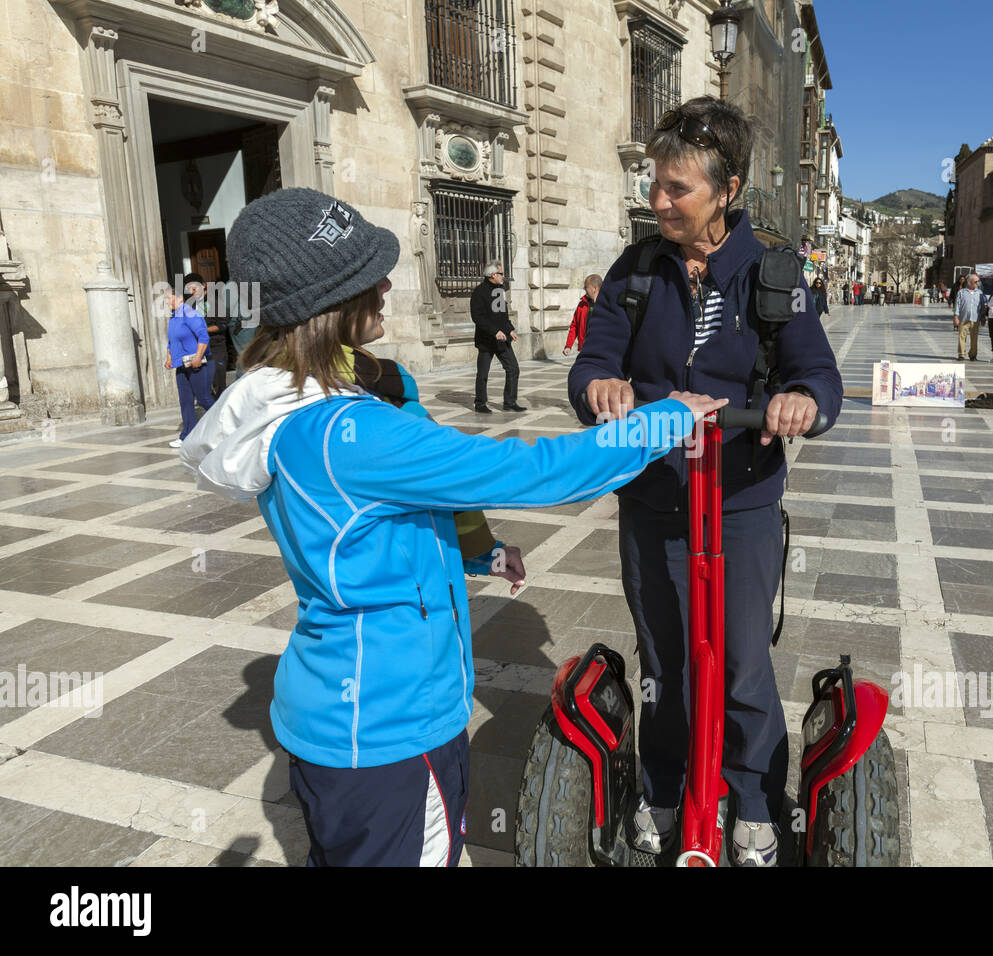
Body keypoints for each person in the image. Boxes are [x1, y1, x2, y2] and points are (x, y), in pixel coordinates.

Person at [180, 186, 726, 867]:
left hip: (330, 715)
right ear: (326, 302)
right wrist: (663, 419)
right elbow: (529, 470)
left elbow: (373, 535)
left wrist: (482, 556)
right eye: (364, 275)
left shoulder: (289, 410)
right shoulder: (351, 432)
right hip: (391, 726)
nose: (384, 284)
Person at [569, 95, 843, 867]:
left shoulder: (772, 270)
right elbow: (595, 358)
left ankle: (754, 794)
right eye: (656, 184)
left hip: (741, 499)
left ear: (727, 191)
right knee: (665, 657)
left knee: (743, 657)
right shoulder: (636, 269)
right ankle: (662, 783)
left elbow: (820, 376)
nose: (658, 200)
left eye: (677, 189)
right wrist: (600, 389)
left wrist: (801, 402)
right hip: (654, 498)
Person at [164, 278, 213, 448]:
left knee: (204, 398)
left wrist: (198, 357)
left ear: (179, 298)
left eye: (168, 298)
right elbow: (171, 341)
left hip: (197, 364)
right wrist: (169, 357)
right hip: (181, 365)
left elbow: (204, 336)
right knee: (185, 401)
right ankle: (186, 436)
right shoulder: (173, 317)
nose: (166, 301)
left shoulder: (190, 314)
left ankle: (224, 426)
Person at [471, 262, 523, 413]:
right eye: (501, 274)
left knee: (513, 368)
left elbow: (503, 315)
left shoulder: (500, 290)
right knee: (483, 374)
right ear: (493, 275)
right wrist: (494, 331)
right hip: (486, 341)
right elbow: (478, 317)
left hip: (502, 339)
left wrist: (510, 330)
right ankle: (480, 404)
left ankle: (510, 402)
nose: (503, 277)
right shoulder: (479, 292)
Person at [185, 272, 229, 399]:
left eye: (194, 288)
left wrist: (203, 330)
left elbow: (223, 325)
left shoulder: (216, 301)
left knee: (219, 384)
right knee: (202, 387)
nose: (192, 292)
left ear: (203, 285)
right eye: (189, 289)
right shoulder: (189, 305)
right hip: (197, 349)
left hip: (216, 347)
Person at [563, 274, 601, 356]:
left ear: (594, 288)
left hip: (600, 350)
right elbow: (574, 326)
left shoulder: (605, 305)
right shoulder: (582, 305)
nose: (584, 288)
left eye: (586, 286)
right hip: (584, 349)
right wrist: (568, 346)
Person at [953, 272, 985, 362]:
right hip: (963, 318)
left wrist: (983, 317)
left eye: (978, 281)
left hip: (975, 319)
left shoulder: (980, 293)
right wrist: (956, 316)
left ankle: (973, 355)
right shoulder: (961, 292)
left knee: (974, 338)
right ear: (969, 282)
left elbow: (982, 306)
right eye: (976, 282)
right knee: (961, 337)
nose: (977, 283)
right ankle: (961, 354)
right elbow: (957, 305)